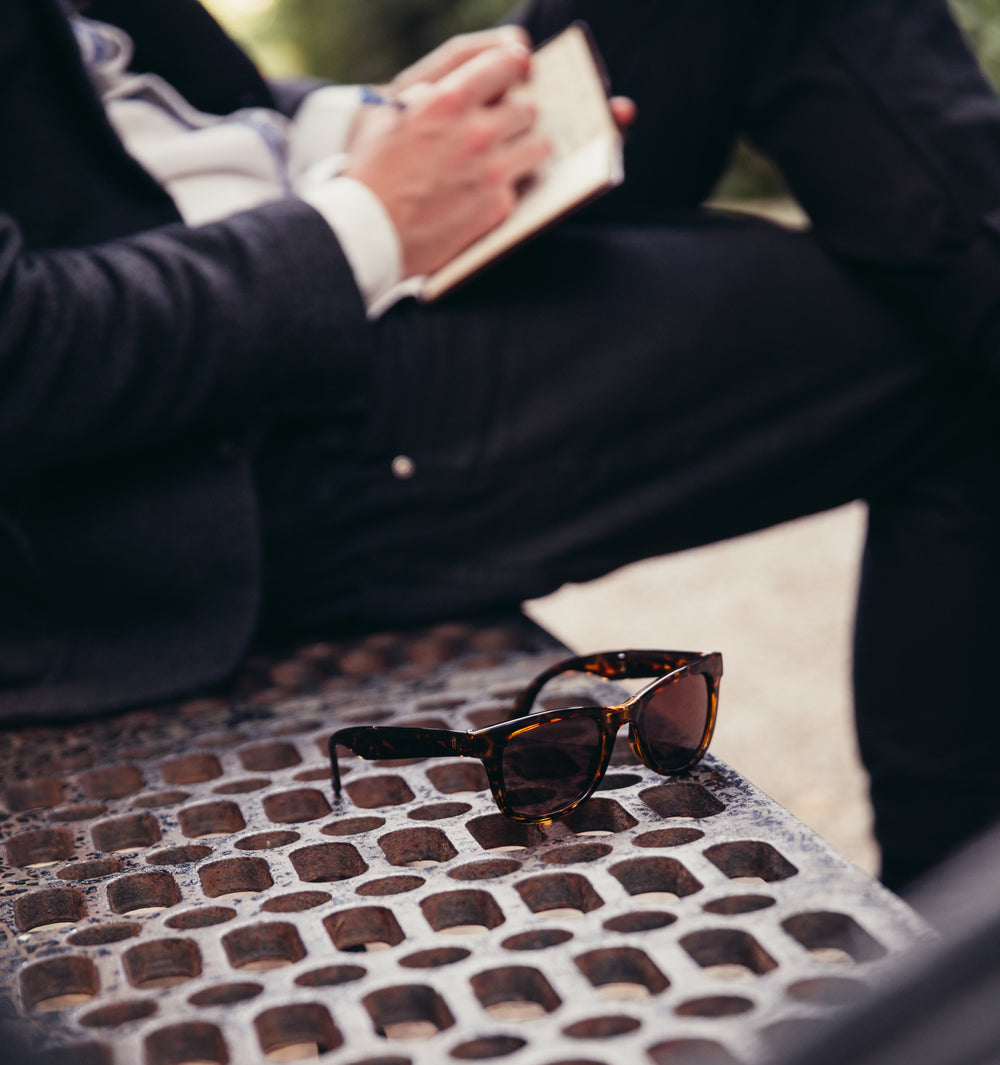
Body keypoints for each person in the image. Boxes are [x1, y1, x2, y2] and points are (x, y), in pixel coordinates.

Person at [2, 0, 1000, 890]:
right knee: (946, 357)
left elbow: (135, 105)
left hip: (307, 245)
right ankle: (955, 947)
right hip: (210, 444)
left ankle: (952, 958)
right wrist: (370, 221)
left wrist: (371, 122)